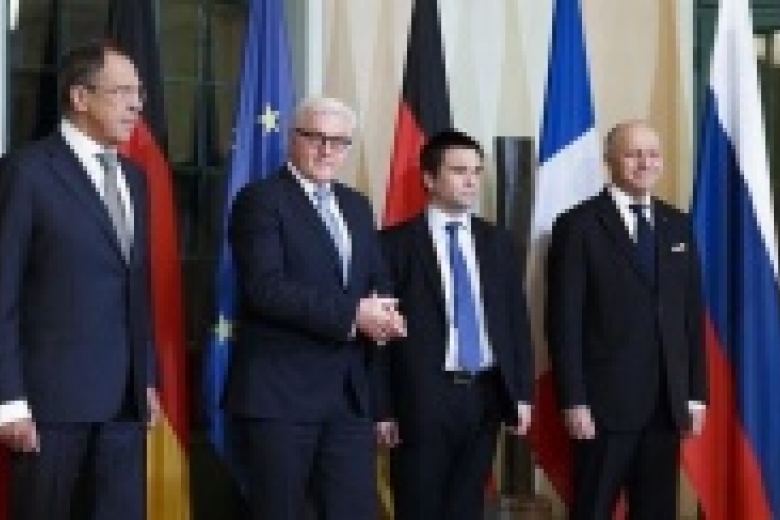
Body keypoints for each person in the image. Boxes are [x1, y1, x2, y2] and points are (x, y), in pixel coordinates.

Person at [0, 41, 160, 520]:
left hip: (124, 408)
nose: (136, 105)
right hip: (49, 408)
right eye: (122, 92)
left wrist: (145, 378)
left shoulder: (135, 179)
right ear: (80, 97)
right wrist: (9, 401)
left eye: (139, 92)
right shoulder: (27, 172)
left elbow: (134, 289)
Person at [226, 96, 406, 520]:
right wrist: (354, 315)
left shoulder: (357, 206)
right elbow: (265, 289)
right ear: (293, 139)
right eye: (316, 138)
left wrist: (385, 313)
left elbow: (374, 277)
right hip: (281, 397)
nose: (327, 151)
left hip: (347, 397)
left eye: (339, 142)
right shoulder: (261, 200)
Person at [546, 120, 707, 519]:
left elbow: (689, 317)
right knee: (592, 509)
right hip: (603, 408)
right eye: (634, 154)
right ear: (610, 160)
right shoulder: (578, 225)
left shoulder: (677, 224)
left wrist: (695, 395)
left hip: (665, 406)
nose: (645, 163)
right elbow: (564, 322)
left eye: (653, 154)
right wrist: (574, 400)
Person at [374, 129, 533, 520]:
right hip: (422, 397)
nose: (471, 181)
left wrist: (521, 393)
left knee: (467, 506)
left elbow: (515, 322)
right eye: (459, 171)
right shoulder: (393, 245)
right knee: (419, 506)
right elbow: (379, 339)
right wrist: (383, 408)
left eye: (476, 171)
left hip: (484, 394)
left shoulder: (497, 242)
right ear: (430, 178)